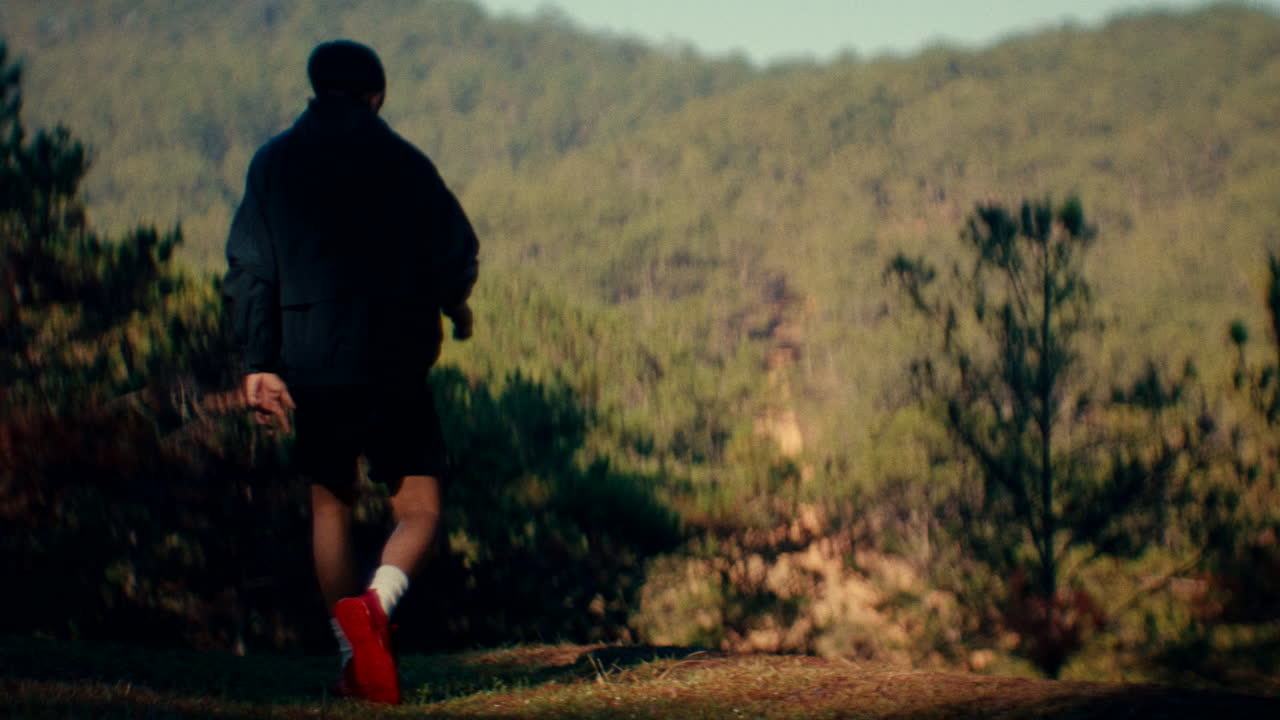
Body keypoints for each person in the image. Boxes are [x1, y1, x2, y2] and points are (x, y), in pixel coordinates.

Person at [222, 39, 478, 705]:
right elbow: (457, 251)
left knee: (330, 505)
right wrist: (454, 306)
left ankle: (353, 659)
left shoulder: (273, 163)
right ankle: (376, 609)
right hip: (393, 359)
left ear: (315, 90)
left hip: (310, 361)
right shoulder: (404, 163)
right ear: (377, 94)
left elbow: (250, 271)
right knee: (420, 510)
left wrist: (259, 363)